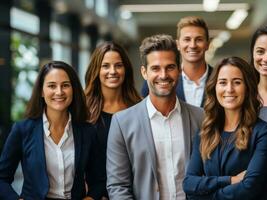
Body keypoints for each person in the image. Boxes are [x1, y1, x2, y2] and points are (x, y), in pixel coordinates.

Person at [106, 34, 203, 200]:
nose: (163, 75)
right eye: (155, 68)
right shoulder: (122, 122)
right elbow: (118, 185)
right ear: (144, 72)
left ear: (179, 70)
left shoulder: (201, 117)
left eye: (170, 67)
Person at [0, 61, 100, 199]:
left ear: (73, 89)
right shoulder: (22, 130)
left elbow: (98, 180)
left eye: (65, 85)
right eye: (52, 86)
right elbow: (2, 178)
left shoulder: (87, 131)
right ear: (42, 91)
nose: (59, 92)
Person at [183, 57, 267, 199]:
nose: (229, 89)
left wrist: (205, 195)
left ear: (247, 87)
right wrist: (230, 180)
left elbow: (250, 188)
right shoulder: (205, 132)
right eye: (223, 82)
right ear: (215, 87)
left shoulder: (263, 132)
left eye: (237, 82)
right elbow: (189, 184)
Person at [84, 41, 141, 199]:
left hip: (132, 194)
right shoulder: (83, 111)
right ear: (97, 70)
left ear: (126, 69)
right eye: (106, 66)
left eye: (118, 65)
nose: (113, 71)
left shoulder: (139, 108)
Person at [141, 16, 213, 107]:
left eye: (199, 39)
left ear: (207, 44)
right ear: (178, 44)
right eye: (187, 39)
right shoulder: (155, 82)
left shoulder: (219, 78)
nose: (193, 45)